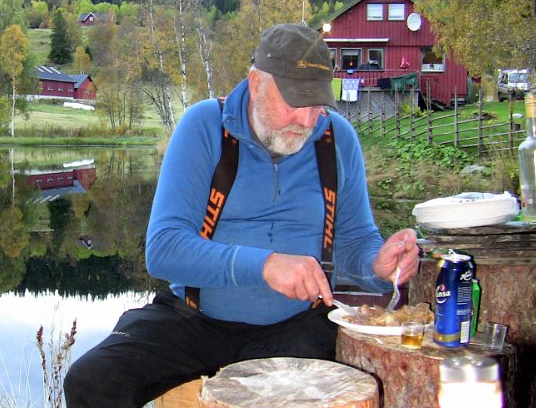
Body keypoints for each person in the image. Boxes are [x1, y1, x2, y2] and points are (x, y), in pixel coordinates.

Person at [63, 23, 420, 408]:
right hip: (194, 322)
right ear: (255, 85)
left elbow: (354, 241)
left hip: (297, 326)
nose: (307, 120)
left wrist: (377, 264)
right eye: (296, 102)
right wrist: (264, 265)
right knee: (91, 382)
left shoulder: (337, 140)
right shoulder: (203, 127)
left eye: (317, 105)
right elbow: (164, 249)